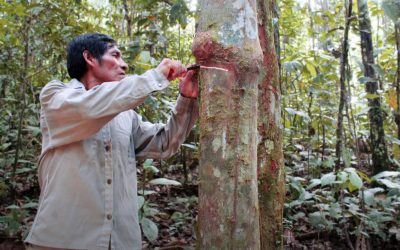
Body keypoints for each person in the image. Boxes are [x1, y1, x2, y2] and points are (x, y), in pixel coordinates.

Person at [24, 33, 199, 250]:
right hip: (61, 241)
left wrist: (187, 99)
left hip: (120, 242)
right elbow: (89, 107)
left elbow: (164, 143)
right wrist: (156, 76)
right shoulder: (56, 96)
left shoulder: (126, 115)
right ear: (89, 58)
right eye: (115, 55)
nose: (124, 65)